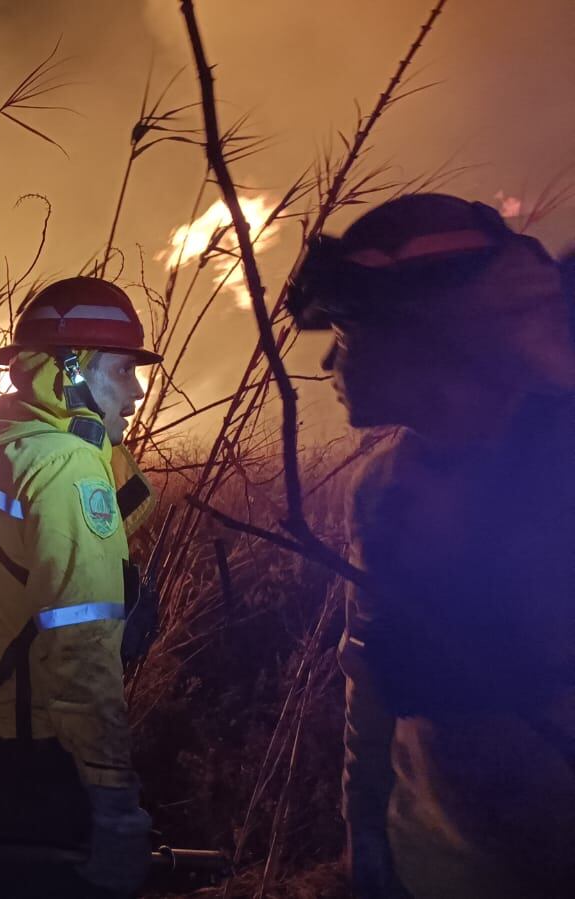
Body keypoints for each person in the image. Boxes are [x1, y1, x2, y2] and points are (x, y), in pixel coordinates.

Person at [287, 193, 575, 898]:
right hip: (434, 866)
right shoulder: (383, 487)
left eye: (350, 332)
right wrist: (368, 838)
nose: (330, 360)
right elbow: (372, 691)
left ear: (430, 334)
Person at [0, 276, 161, 898]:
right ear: (70, 373)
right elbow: (82, 650)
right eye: (120, 371)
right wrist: (113, 803)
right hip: (41, 774)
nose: (136, 393)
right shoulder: (66, 467)